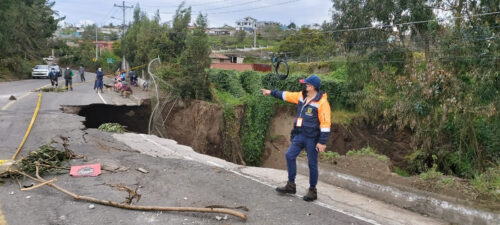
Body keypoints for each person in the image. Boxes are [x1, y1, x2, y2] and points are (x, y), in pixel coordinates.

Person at [261, 75, 331, 202]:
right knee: (289, 155)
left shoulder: (322, 102)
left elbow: (325, 123)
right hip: (300, 135)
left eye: (307, 84)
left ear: (312, 86)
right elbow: (286, 95)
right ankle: (291, 185)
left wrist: (322, 142)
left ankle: (312, 190)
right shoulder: (301, 96)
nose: (305, 86)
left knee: (312, 163)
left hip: (312, 138)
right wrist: (271, 92)